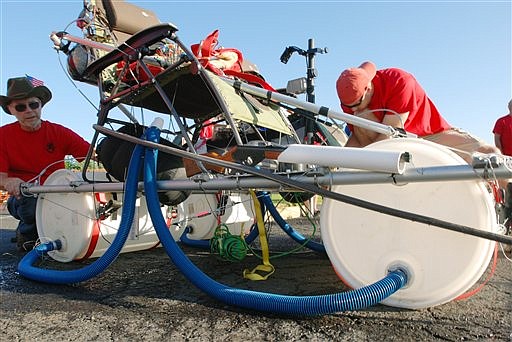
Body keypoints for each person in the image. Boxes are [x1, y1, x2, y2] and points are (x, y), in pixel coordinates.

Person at [335, 61, 498, 161]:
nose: (353, 109)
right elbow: (357, 137)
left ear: (369, 88)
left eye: (357, 103)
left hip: (430, 135)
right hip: (384, 143)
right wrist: (337, 167)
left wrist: (364, 162)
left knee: (490, 154)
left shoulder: (399, 81)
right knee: (362, 117)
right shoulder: (351, 101)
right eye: (348, 106)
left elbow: (389, 136)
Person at [0, 76, 91, 251]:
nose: (29, 111)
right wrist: (8, 182)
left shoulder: (60, 132)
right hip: (24, 196)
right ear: (11, 110)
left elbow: (90, 155)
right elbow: (1, 177)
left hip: (59, 193)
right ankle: (28, 236)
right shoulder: (3, 136)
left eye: (33, 104)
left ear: (41, 105)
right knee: (31, 200)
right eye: (20, 107)